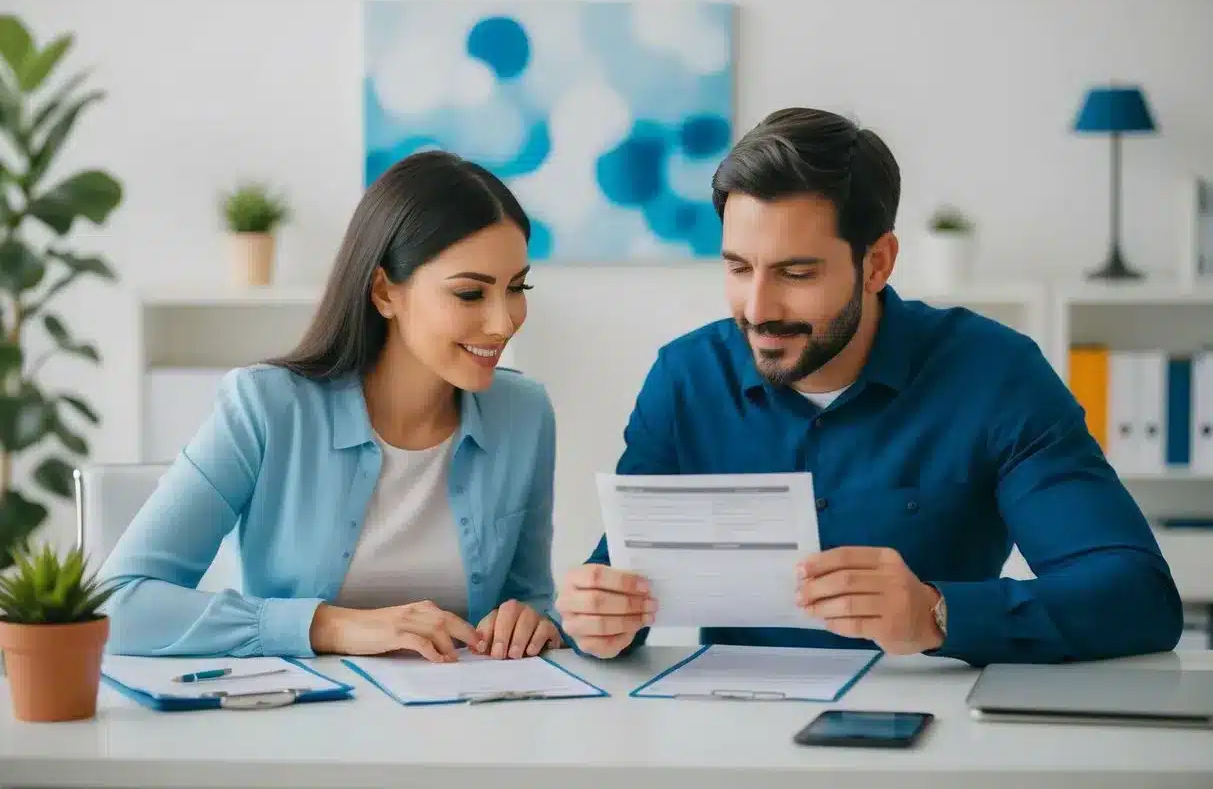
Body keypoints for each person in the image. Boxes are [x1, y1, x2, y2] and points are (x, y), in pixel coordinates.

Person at [555, 107, 1184, 667]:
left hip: (934, 740)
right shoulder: (686, 379)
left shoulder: (996, 375)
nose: (757, 307)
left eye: (796, 273)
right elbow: (619, 585)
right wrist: (597, 616)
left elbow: (1137, 596)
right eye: (738, 267)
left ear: (877, 262)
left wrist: (937, 614)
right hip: (732, 740)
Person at [101, 150, 560, 663]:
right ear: (385, 291)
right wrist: (329, 627)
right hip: (299, 728)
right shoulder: (265, 408)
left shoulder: (526, 414)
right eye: (471, 294)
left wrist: (534, 621)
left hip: (466, 725)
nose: (503, 322)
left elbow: (534, 600)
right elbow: (117, 604)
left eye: (517, 288)